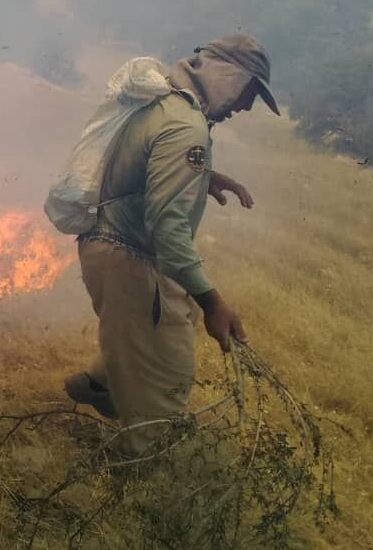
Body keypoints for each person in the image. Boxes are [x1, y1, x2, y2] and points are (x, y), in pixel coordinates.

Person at [63, 34, 280, 456]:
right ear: (225, 75)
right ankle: (144, 476)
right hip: (127, 257)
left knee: (156, 329)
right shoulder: (186, 125)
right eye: (248, 91)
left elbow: (141, 161)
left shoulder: (166, 102)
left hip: (107, 246)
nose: (245, 106)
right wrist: (213, 302)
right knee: (168, 375)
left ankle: (96, 385)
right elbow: (168, 232)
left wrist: (202, 177)